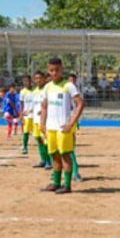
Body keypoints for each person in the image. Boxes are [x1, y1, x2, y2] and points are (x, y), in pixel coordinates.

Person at [40, 57, 85, 194]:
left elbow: (80, 103)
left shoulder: (68, 86)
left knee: (65, 155)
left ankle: (67, 186)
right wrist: (42, 124)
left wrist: (71, 123)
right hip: (51, 128)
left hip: (63, 129)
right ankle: (56, 183)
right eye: (51, 70)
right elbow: (44, 107)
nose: (54, 73)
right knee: (54, 155)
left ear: (62, 70)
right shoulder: (47, 87)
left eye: (57, 70)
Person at [30, 71, 52, 169]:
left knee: (46, 141)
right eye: (36, 78)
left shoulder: (47, 90)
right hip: (35, 120)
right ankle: (43, 159)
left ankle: (49, 161)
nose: (38, 80)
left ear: (44, 79)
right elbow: (35, 105)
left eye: (40, 78)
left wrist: (43, 112)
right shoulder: (34, 91)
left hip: (45, 121)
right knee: (39, 140)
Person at [67, 73, 83, 181]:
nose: (71, 82)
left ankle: (75, 172)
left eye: (73, 80)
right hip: (57, 123)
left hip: (70, 121)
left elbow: (79, 105)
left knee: (70, 148)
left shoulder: (76, 92)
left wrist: (75, 121)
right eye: (70, 80)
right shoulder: (63, 90)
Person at [19, 75, 35, 154]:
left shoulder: (35, 90)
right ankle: (25, 147)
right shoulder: (22, 92)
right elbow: (21, 104)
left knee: (38, 134)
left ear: (30, 81)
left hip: (35, 115)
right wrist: (21, 114)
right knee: (26, 132)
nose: (26, 83)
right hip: (27, 115)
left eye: (27, 81)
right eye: (24, 81)